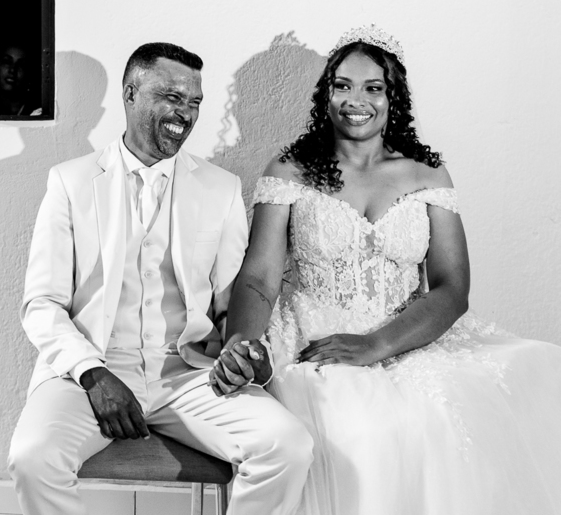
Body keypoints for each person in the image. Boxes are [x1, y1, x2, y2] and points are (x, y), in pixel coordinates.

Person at [214, 25, 561, 514]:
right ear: (326, 95)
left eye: (373, 87)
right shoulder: (289, 171)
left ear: (392, 97)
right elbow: (258, 277)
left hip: (409, 336)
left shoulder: (427, 174)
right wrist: (242, 345)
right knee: (363, 428)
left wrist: (375, 344)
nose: (357, 100)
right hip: (317, 338)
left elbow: (451, 288)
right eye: (342, 85)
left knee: (513, 383)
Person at [8, 42, 314, 515]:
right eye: (172, 97)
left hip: (189, 375)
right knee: (32, 458)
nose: (185, 114)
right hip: (89, 374)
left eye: (194, 102)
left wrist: (244, 349)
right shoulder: (69, 182)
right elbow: (41, 304)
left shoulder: (221, 188)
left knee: (287, 446)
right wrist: (93, 374)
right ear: (131, 93)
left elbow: (235, 303)